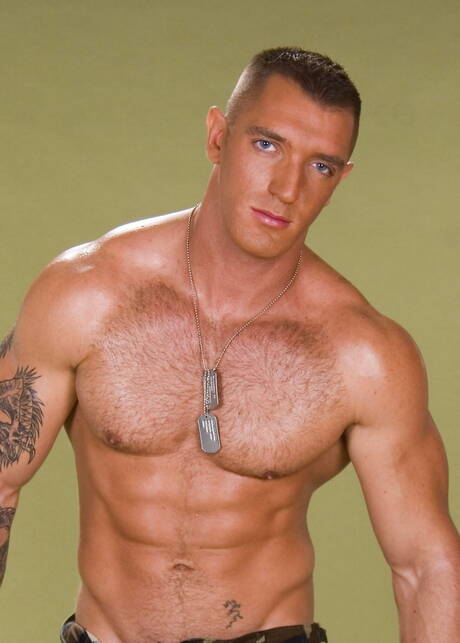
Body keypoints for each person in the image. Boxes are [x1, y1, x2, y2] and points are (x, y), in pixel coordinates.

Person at [0, 47, 459, 643]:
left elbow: (426, 565)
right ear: (218, 137)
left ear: (341, 178)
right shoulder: (88, 294)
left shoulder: (363, 354)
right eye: (267, 145)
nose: (287, 188)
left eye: (320, 166)